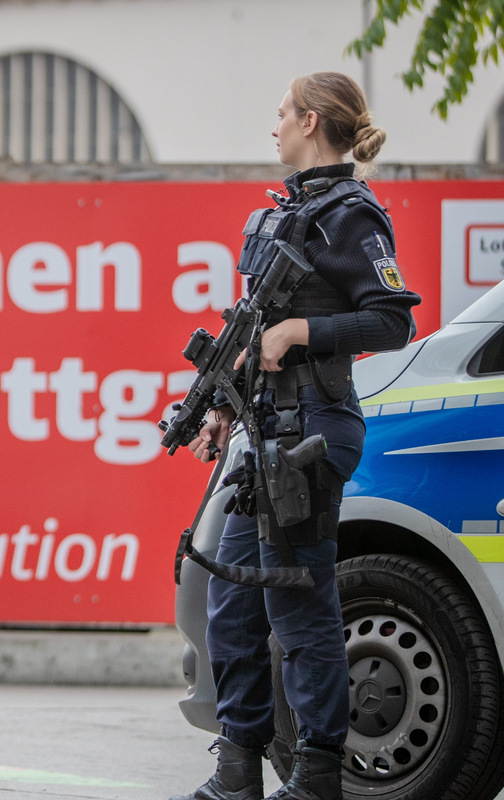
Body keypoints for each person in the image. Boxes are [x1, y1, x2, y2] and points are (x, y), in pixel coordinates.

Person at [171, 72, 421, 800]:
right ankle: (237, 772)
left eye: (280, 113)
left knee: (299, 608)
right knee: (233, 606)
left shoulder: (351, 215)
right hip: (267, 430)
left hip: (312, 430)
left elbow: (392, 318)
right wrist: (222, 404)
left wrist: (299, 330)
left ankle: (316, 780)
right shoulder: (284, 213)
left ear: (311, 121)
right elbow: (251, 336)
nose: (272, 126)